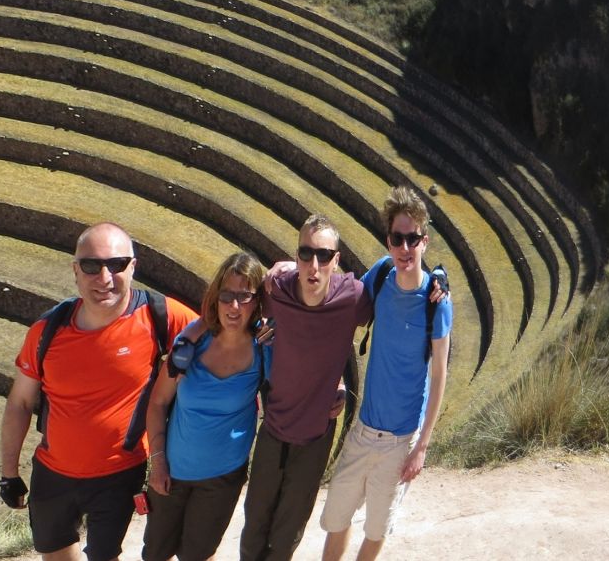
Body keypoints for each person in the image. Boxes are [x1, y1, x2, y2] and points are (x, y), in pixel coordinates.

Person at [0, 222, 198, 561]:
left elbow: (219, 330)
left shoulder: (158, 316)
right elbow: (19, 402)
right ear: (76, 271)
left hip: (119, 474)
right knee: (56, 554)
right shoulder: (47, 331)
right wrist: (8, 474)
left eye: (116, 264)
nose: (104, 277)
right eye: (91, 265)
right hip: (53, 472)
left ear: (132, 267)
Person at [319, 187, 452, 561]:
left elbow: (440, 375)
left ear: (424, 241)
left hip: (401, 441)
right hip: (363, 430)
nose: (405, 248)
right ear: (388, 241)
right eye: (398, 238)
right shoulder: (381, 274)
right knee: (336, 519)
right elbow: (343, 316)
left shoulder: (437, 303)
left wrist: (422, 447)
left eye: (413, 239)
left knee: (376, 530)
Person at [238, 214, 370, 561]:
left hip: (314, 437)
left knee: (286, 539)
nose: (315, 264)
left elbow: (396, 285)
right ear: (295, 256)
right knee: (253, 532)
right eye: (305, 253)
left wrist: (438, 279)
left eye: (324, 256)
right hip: (273, 429)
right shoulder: (277, 289)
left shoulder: (352, 298)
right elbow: (240, 299)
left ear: (336, 261)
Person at [142, 252, 273, 561]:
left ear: (258, 301)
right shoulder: (189, 345)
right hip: (172, 472)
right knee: (155, 554)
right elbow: (158, 403)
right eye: (227, 295)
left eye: (245, 296)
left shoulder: (263, 350)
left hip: (222, 478)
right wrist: (158, 462)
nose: (234, 306)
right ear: (216, 297)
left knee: (197, 556)